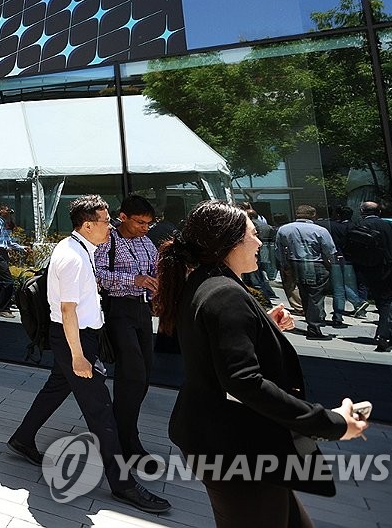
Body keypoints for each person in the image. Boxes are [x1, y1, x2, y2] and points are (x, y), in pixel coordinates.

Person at [156, 200, 368, 527]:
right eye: (252, 235)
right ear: (227, 242)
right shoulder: (224, 292)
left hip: (228, 442)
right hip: (238, 449)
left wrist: (261, 325)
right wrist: (330, 423)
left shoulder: (204, 281)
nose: (259, 243)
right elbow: (243, 382)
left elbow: (212, 345)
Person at [7, 195, 170, 515]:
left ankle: (23, 438)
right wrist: (79, 357)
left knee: (58, 387)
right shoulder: (73, 257)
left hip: (82, 338)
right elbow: (67, 311)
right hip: (75, 341)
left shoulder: (83, 250)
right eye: (107, 221)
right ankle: (123, 484)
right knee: (101, 412)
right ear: (87, 225)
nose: (112, 226)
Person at [94, 194, 159, 462]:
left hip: (143, 311)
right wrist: (135, 280)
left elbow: (156, 268)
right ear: (123, 217)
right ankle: (127, 440)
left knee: (143, 375)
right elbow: (97, 274)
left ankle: (124, 431)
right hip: (118, 310)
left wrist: (158, 282)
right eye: (140, 222)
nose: (145, 227)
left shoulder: (146, 242)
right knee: (131, 374)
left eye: (148, 223)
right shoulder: (107, 240)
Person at [350, 201, 392, 352]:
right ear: (379, 212)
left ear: (362, 211)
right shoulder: (390, 226)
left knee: (382, 302)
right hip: (391, 268)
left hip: (368, 270)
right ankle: (384, 336)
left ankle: (390, 335)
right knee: (388, 303)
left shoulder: (357, 226)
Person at [274, 205, 337, 340]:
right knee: (315, 295)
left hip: (295, 263)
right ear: (313, 215)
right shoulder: (320, 230)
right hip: (316, 263)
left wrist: (284, 264)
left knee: (304, 293)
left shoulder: (284, 229)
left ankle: (313, 321)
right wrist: (331, 263)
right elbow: (330, 249)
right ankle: (314, 327)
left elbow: (278, 249)